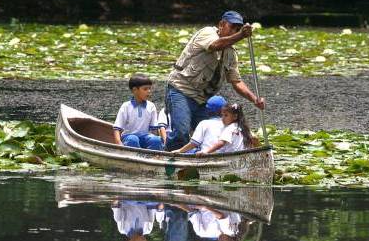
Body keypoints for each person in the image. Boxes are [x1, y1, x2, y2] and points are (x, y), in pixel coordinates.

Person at [165, 10, 265, 151]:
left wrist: (255, 99)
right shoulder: (207, 33)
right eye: (232, 27)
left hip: (202, 99)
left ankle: (197, 161)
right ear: (221, 24)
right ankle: (170, 161)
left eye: (237, 29)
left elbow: (236, 81)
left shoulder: (231, 53)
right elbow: (214, 46)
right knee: (181, 132)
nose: (234, 32)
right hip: (181, 90)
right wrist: (241, 34)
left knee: (208, 136)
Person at [113, 73, 163, 150]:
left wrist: (158, 143)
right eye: (145, 89)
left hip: (145, 137)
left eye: (150, 88)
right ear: (135, 90)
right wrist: (119, 143)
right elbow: (117, 128)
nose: (149, 91)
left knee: (156, 140)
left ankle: (153, 158)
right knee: (133, 139)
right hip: (128, 137)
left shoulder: (151, 106)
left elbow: (154, 130)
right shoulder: (126, 106)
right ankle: (135, 157)